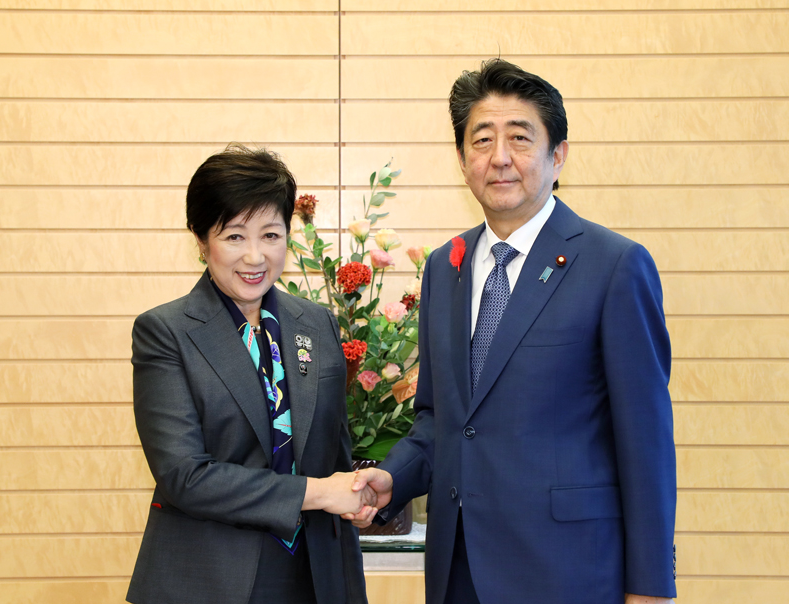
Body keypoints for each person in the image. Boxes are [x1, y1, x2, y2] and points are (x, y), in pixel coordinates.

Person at [347, 59, 677, 604]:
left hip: (570, 573)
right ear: (461, 159)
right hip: (459, 573)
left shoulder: (614, 265)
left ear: (558, 156)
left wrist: (650, 588)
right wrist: (390, 479)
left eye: (520, 138)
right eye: (481, 140)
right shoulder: (443, 268)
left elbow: (645, 443)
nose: (499, 157)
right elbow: (440, 420)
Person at [127, 144, 371, 604]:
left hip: (317, 575)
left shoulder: (316, 323)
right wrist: (318, 492)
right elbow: (184, 476)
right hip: (211, 578)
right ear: (200, 240)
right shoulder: (166, 333)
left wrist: (357, 496)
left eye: (271, 235)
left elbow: (333, 450)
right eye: (235, 236)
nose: (255, 257)